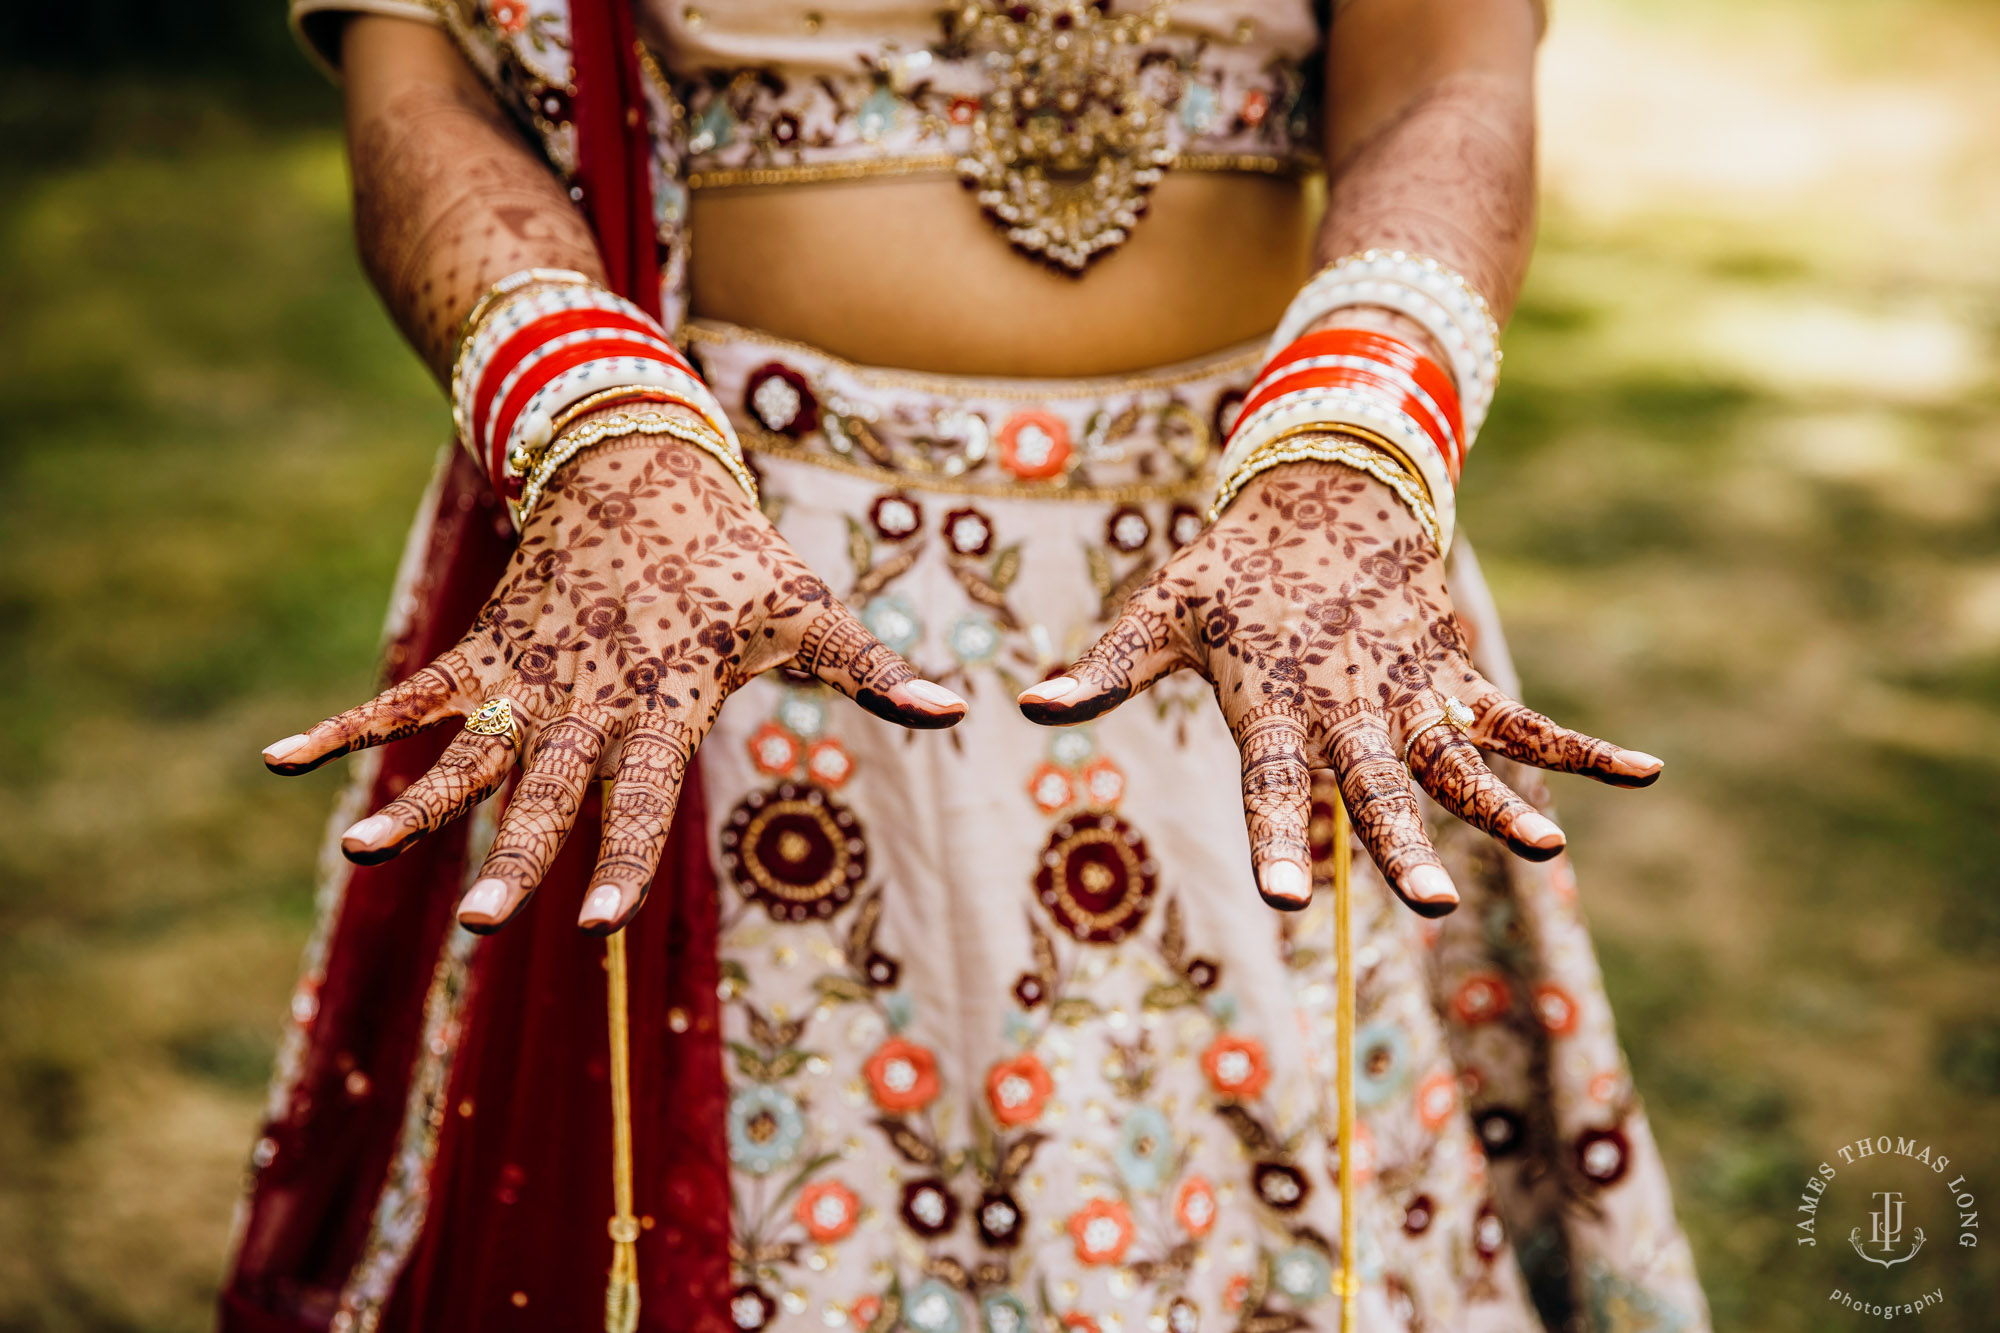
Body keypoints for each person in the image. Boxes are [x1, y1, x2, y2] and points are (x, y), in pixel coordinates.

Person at [222, 2, 1711, 1330]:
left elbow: (1447, 77)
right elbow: (423, 84)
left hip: (1271, 589)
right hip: (732, 597)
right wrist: (602, 440)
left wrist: (1359, 447)